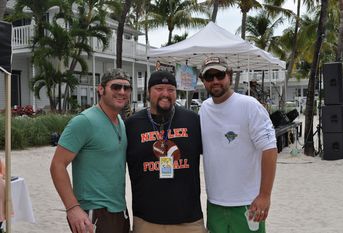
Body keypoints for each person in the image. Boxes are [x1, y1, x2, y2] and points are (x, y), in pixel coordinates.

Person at [199, 57, 277, 233]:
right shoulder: (204, 109)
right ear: (203, 81)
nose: (215, 81)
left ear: (229, 75)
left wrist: (265, 195)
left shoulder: (249, 105)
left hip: (248, 202)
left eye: (220, 75)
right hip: (215, 203)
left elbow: (270, 149)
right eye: (209, 77)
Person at [50, 68, 132, 233]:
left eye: (126, 88)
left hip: (119, 210)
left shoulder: (121, 123)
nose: (122, 92)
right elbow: (57, 165)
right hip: (93, 212)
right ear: (101, 89)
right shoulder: (84, 121)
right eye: (116, 87)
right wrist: (72, 208)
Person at [125, 70, 206, 233]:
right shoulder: (132, 125)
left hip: (189, 222)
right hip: (147, 221)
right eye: (159, 88)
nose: (165, 94)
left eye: (171, 89)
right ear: (148, 92)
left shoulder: (193, 121)